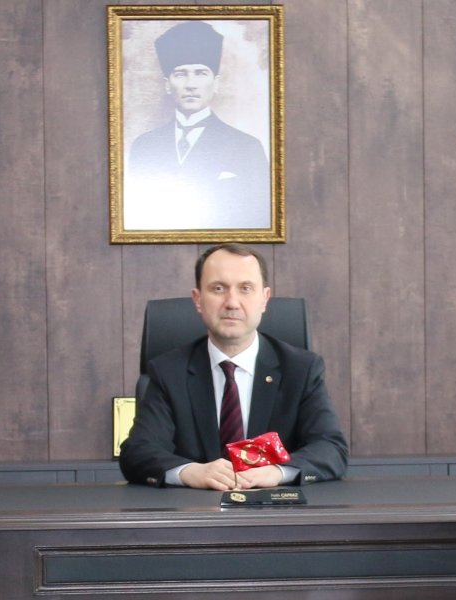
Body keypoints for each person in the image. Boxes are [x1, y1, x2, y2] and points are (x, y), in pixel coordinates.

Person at [119, 243, 348, 490]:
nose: (232, 302)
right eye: (218, 288)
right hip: (194, 509)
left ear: (264, 299)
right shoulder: (168, 372)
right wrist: (190, 472)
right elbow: (138, 452)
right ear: (198, 299)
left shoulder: (300, 369)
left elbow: (330, 448)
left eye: (245, 288)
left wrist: (278, 473)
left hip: (275, 508)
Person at [124, 21, 271, 231]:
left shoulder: (246, 147)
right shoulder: (144, 146)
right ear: (167, 84)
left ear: (216, 83)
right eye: (180, 74)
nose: (191, 85)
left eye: (201, 73)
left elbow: (259, 218)